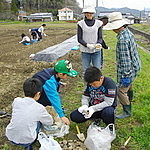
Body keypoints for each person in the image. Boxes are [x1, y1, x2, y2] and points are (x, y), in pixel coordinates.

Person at [104, 12, 141, 119]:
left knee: (121, 90)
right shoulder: (128, 33)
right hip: (136, 66)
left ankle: (127, 111)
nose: (112, 29)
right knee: (129, 85)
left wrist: (126, 76)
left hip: (129, 69)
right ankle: (130, 98)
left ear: (118, 27)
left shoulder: (122, 40)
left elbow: (125, 61)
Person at [5, 78, 53, 150]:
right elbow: (49, 122)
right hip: (27, 141)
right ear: (38, 94)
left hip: (10, 137)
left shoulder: (17, 100)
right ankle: (29, 145)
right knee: (39, 122)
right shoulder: (39, 108)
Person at [32, 60, 78, 125]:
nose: (67, 77)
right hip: (36, 95)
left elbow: (52, 80)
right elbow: (54, 97)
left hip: (41, 87)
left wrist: (58, 83)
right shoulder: (49, 82)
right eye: (67, 75)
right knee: (50, 102)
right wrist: (62, 116)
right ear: (60, 74)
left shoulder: (53, 72)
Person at [77, 6, 103, 72]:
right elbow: (79, 39)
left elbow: (100, 37)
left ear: (93, 13)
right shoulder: (80, 24)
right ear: (84, 13)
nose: (89, 14)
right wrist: (87, 45)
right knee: (86, 70)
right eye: (87, 13)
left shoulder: (98, 23)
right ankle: (87, 82)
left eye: (90, 13)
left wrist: (98, 43)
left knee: (97, 69)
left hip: (96, 50)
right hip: (85, 51)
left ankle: (96, 82)